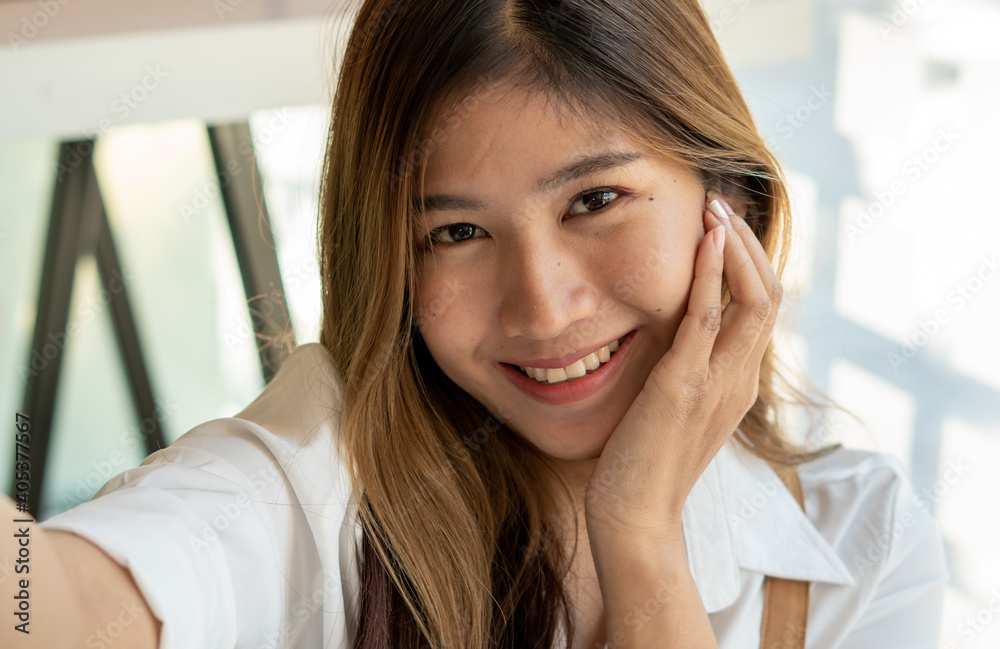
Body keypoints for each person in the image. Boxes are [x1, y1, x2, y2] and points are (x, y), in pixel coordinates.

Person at [1, 0, 948, 647]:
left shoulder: (863, 549)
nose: (541, 305)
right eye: (456, 231)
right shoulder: (325, 474)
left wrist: (642, 539)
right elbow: (62, 600)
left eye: (596, 199)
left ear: (727, 202)